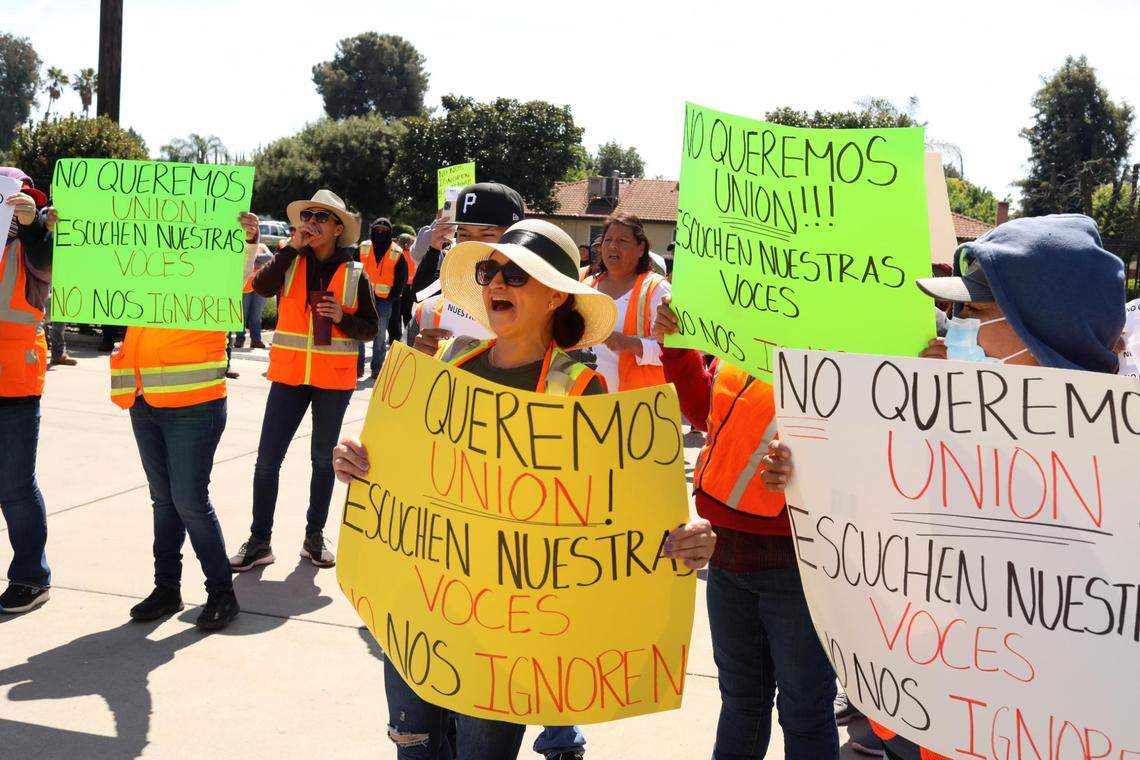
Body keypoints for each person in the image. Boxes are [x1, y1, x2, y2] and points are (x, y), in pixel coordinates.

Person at [334, 219, 717, 760]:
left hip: (508, 638)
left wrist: (687, 536)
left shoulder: (580, 391)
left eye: (516, 275)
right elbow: (403, 469)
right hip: (424, 608)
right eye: (490, 271)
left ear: (556, 296)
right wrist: (357, 460)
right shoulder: (449, 365)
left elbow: (620, 514)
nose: (496, 283)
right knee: (414, 747)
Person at [759, 214, 1126, 760]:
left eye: (972, 312)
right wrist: (809, 476)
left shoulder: (1119, 465)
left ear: (1043, 329)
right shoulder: (943, 426)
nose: (952, 328)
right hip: (928, 720)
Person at [652, 299, 841, 759]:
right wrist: (677, 346)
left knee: (805, 709)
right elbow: (704, 412)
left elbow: (867, 446)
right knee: (741, 702)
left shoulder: (844, 342)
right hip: (726, 555)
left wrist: (811, 469)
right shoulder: (741, 337)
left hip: (798, 565)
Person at [107, 215, 264, 630]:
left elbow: (239, 277)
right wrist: (63, 231)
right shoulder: (142, 260)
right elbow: (96, 270)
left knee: (189, 500)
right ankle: (167, 588)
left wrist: (248, 240)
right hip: (143, 399)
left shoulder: (209, 263)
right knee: (164, 501)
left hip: (194, 404)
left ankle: (221, 593)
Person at [229, 190, 378, 573]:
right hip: (289, 377)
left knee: (323, 461)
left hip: (334, 382)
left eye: (321, 217)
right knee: (267, 461)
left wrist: (342, 317)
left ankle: (314, 537)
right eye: (307, 215)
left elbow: (371, 329)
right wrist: (291, 248)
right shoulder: (289, 258)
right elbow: (261, 288)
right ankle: (259, 541)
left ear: (338, 229)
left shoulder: (355, 271)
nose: (311, 222)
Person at [0, 171, 55, 614]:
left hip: (16, 378)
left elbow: (48, 266)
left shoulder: (34, 243)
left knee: (15, 485)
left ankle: (31, 578)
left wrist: (33, 226)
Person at [406, 183, 526, 357]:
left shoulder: (539, 304)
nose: (471, 243)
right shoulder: (430, 309)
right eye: (464, 234)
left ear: (516, 237)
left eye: (487, 234)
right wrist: (417, 358)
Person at [583, 213, 670, 392]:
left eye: (622, 241)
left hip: (638, 404)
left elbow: (674, 351)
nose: (613, 246)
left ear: (641, 249)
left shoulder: (658, 289)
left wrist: (629, 344)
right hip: (589, 400)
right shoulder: (586, 286)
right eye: (607, 240)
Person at [358, 217, 407, 379]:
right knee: (358, 334)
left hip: (384, 301)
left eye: (384, 231)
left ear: (389, 232)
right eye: (377, 230)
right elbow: (351, 269)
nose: (380, 233)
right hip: (362, 298)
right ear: (372, 231)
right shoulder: (363, 247)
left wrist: (392, 297)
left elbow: (402, 277)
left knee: (379, 337)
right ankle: (357, 367)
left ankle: (376, 368)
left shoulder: (397, 252)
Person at [234, 241, 273, 349]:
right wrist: (258, 261)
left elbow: (269, 257)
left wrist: (251, 257)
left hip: (259, 286)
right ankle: (239, 339)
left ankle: (256, 340)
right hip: (244, 287)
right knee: (242, 315)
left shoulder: (262, 246)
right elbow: (240, 259)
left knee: (256, 316)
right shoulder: (241, 245)